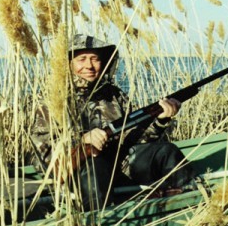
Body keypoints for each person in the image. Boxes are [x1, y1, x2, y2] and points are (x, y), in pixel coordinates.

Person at [31, 34, 196, 210]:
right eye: (82, 59)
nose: (89, 65)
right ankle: (99, 221)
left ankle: (192, 203)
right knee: (95, 166)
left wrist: (161, 121)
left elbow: (136, 139)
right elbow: (41, 155)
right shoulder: (51, 100)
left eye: (95, 59)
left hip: (120, 166)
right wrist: (81, 141)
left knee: (166, 151)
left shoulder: (115, 95)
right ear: (68, 63)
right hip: (78, 176)